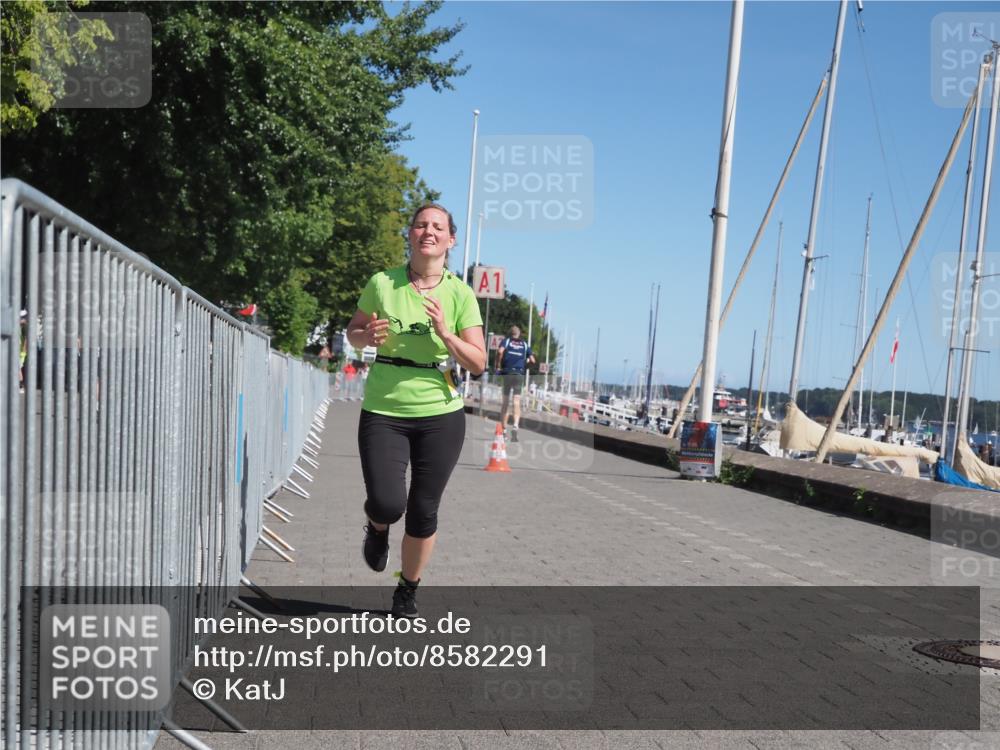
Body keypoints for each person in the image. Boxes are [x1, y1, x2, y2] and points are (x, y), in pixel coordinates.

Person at [346, 204, 486, 618]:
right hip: (384, 406)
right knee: (389, 503)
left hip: (441, 413)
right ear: (410, 234)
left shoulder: (460, 293)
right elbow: (353, 332)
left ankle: (407, 589)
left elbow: (477, 362)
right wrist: (364, 334)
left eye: (438, 227)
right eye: (421, 225)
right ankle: (376, 527)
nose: (429, 231)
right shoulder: (382, 283)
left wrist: (446, 334)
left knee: (424, 509)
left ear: (451, 239)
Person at [497, 325, 535, 442]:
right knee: (516, 401)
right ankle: (515, 426)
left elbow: (500, 351)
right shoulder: (524, 344)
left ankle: (503, 431)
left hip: (507, 373)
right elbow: (533, 360)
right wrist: (525, 367)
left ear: (510, 333)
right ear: (519, 334)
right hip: (519, 374)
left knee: (505, 402)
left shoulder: (506, 341)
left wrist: (498, 366)